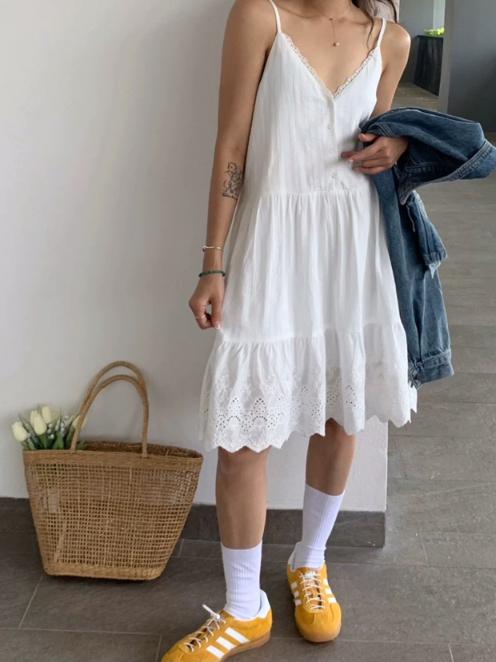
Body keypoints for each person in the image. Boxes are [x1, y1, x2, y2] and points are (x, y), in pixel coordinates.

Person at [162, 1, 413, 659]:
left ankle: (310, 560)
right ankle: (245, 608)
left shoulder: (390, 40)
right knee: (244, 433)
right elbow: (232, 144)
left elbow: (383, 143)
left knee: (340, 414)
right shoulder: (259, 16)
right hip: (271, 247)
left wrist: (400, 146)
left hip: (353, 249)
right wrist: (212, 261)